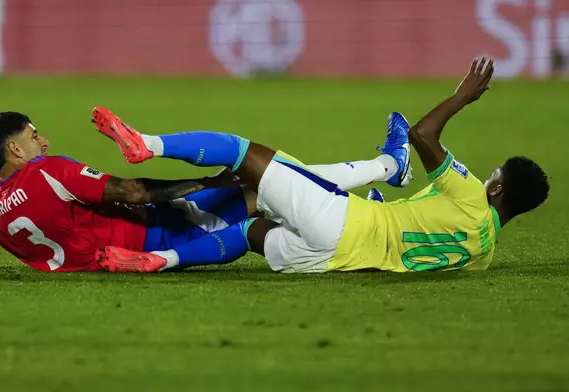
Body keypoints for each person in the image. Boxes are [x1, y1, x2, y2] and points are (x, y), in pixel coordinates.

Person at [93, 56, 549, 273]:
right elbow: (412, 233)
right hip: (339, 261)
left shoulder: (471, 194)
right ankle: (160, 259)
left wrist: (462, 96)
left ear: (497, 190)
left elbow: (423, 134)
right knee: (252, 231)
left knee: (244, 153)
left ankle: (147, 144)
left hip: (343, 227)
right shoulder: (483, 256)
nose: (487, 177)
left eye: (494, 176)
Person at [0, 109, 406, 273]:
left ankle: (375, 183)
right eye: (33, 135)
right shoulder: (49, 172)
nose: (43, 141)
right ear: (15, 149)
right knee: (267, 178)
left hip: (103, 261)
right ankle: (389, 165)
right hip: (160, 234)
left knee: (279, 188)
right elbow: (134, 192)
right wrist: (207, 182)